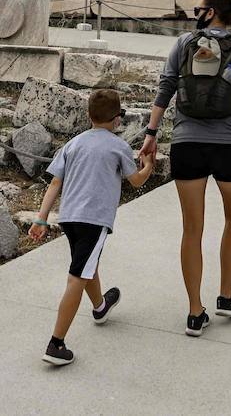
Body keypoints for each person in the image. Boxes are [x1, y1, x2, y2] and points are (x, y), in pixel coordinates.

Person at [140, 0, 231, 337]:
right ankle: (226, 296)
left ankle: (195, 312)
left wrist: (151, 134)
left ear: (211, 12)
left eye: (198, 8)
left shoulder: (183, 43)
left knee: (191, 229)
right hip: (230, 145)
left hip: (187, 143)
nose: (193, 12)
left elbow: (166, 87)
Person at [29, 88, 155, 366]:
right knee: (77, 276)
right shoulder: (119, 146)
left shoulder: (72, 145)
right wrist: (148, 165)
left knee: (86, 264)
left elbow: (55, 183)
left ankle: (100, 307)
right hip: (94, 220)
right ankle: (56, 343)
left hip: (69, 218)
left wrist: (41, 218)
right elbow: (136, 181)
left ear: (88, 116)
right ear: (118, 119)